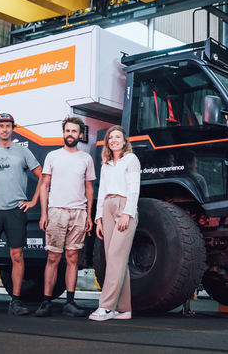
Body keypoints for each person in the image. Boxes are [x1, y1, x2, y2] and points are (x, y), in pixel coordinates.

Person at [0, 113, 42, 316]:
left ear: (13, 128)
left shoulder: (23, 152)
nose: (5, 129)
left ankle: (16, 301)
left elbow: (42, 176)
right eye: (1, 126)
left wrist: (33, 200)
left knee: (17, 255)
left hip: (15, 211)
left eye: (8, 126)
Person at [35, 117, 96, 317]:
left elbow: (89, 188)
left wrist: (88, 215)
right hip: (56, 212)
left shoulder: (86, 158)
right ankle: (46, 302)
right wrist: (44, 213)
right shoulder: (52, 156)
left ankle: (70, 303)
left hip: (78, 213)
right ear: (64, 133)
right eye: (67, 130)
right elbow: (44, 185)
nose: (70, 134)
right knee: (53, 257)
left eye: (74, 131)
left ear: (80, 135)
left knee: (73, 258)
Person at [89, 125, 141, 322]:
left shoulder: (131, 159)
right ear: (107, 143)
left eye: (118, 137)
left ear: (124, 141)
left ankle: (106, 307)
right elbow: (101, 192)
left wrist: (127, 213)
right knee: (115, 261)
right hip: (108, 207)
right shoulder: (106, 165)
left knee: (116, 257)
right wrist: (99, 219)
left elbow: (134, 188)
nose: (114, 140)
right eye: (111, 138)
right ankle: (124, 308)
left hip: (124, 206)